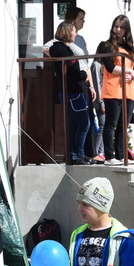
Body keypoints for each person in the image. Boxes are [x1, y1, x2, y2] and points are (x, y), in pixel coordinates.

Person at [50, 21, 96, 166]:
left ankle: (76, 155)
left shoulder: (63, 48)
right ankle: (78, 155)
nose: (76, 34)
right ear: (67, 32)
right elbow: (72, 72)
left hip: (71, 92)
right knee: (83, 124)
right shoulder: (60, 49)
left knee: (76, 125)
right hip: (72, 92)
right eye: (74, 31)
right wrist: (83, 75)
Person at [96, 15, 134, 165]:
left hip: (129, 91)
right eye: (116, 26)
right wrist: (128, 71)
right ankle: (109, 156)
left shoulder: (130, 48)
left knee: (123, 125)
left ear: (126, 29)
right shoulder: (106, 45)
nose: (118, 29)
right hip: (113, 90)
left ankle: (122, 156)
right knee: (111, 124)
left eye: (121, 27)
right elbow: (109, 67)